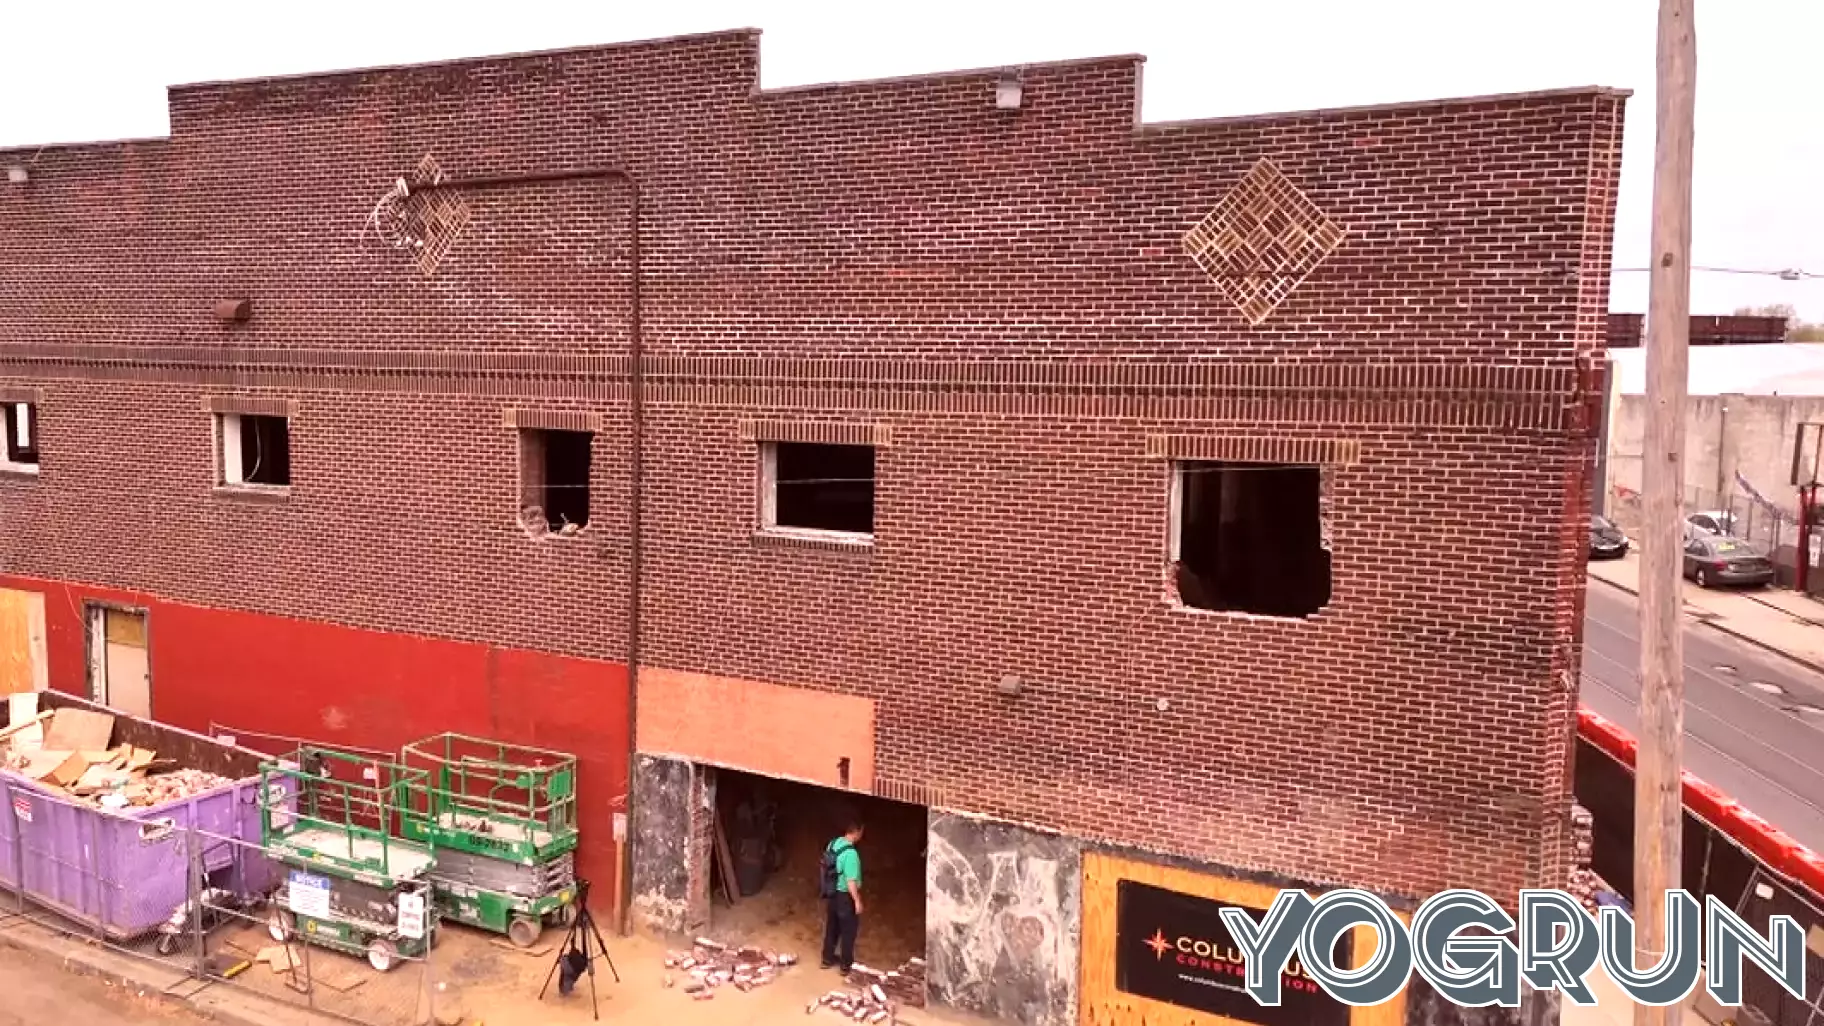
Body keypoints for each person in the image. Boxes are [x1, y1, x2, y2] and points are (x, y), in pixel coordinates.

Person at [820, 818, 865, 974]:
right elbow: (850, 880)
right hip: (845, 896)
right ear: (857, 832)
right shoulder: (851, 854)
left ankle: (827, 959)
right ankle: (845, 965)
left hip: (832, 893)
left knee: (832, 927)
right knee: (848, 931)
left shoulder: (833, 844)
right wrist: (857, 901)